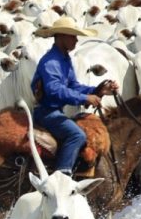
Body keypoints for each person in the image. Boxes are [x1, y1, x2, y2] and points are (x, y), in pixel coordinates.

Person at [30, 17, 119, 176]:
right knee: (76, 135)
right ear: (61, 36)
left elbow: (73, 86)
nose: (77, 40)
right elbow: (54, 90)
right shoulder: (50, 62)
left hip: (55, 112)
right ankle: (61, 177)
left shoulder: (64, 59)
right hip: (46, 113)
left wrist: (98, 90)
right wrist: (84, 99)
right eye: (73, 36)